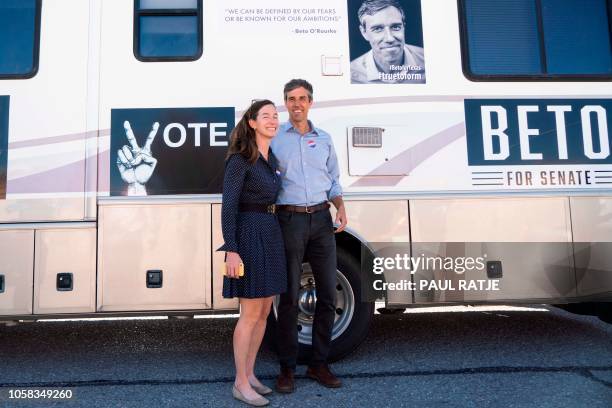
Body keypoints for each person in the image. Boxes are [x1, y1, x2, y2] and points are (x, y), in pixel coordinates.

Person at [271, 79, 348, 393]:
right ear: (286, 104)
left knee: (328, 295)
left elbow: (334, 182)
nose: (297, 104)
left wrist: (340, 207)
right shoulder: (275, 139)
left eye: (302, 98)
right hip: (289, 219)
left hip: (321, 219)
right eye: (291, 99)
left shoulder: (325, 139)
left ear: (311, 102)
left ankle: (319, 364)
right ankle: (287, 369)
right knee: (289, 297)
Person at [219, 100, 287, 407]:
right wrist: (231, 250)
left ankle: (251, 374)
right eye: (266, 116)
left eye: (275, 115)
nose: (273, 120)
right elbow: (229, 207)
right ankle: (239, 383)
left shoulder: (271, 158)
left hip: (270, 232)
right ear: (252, 123)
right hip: (248, 235)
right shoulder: (240, 159)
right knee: (249, 314)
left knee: (262, 313)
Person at [350, 0, 426, 84]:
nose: (389, 39)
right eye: (378, 29)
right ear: (364, 32)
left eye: (396, 27)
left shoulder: (427, 61)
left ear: (404, 27)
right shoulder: (351, 74)